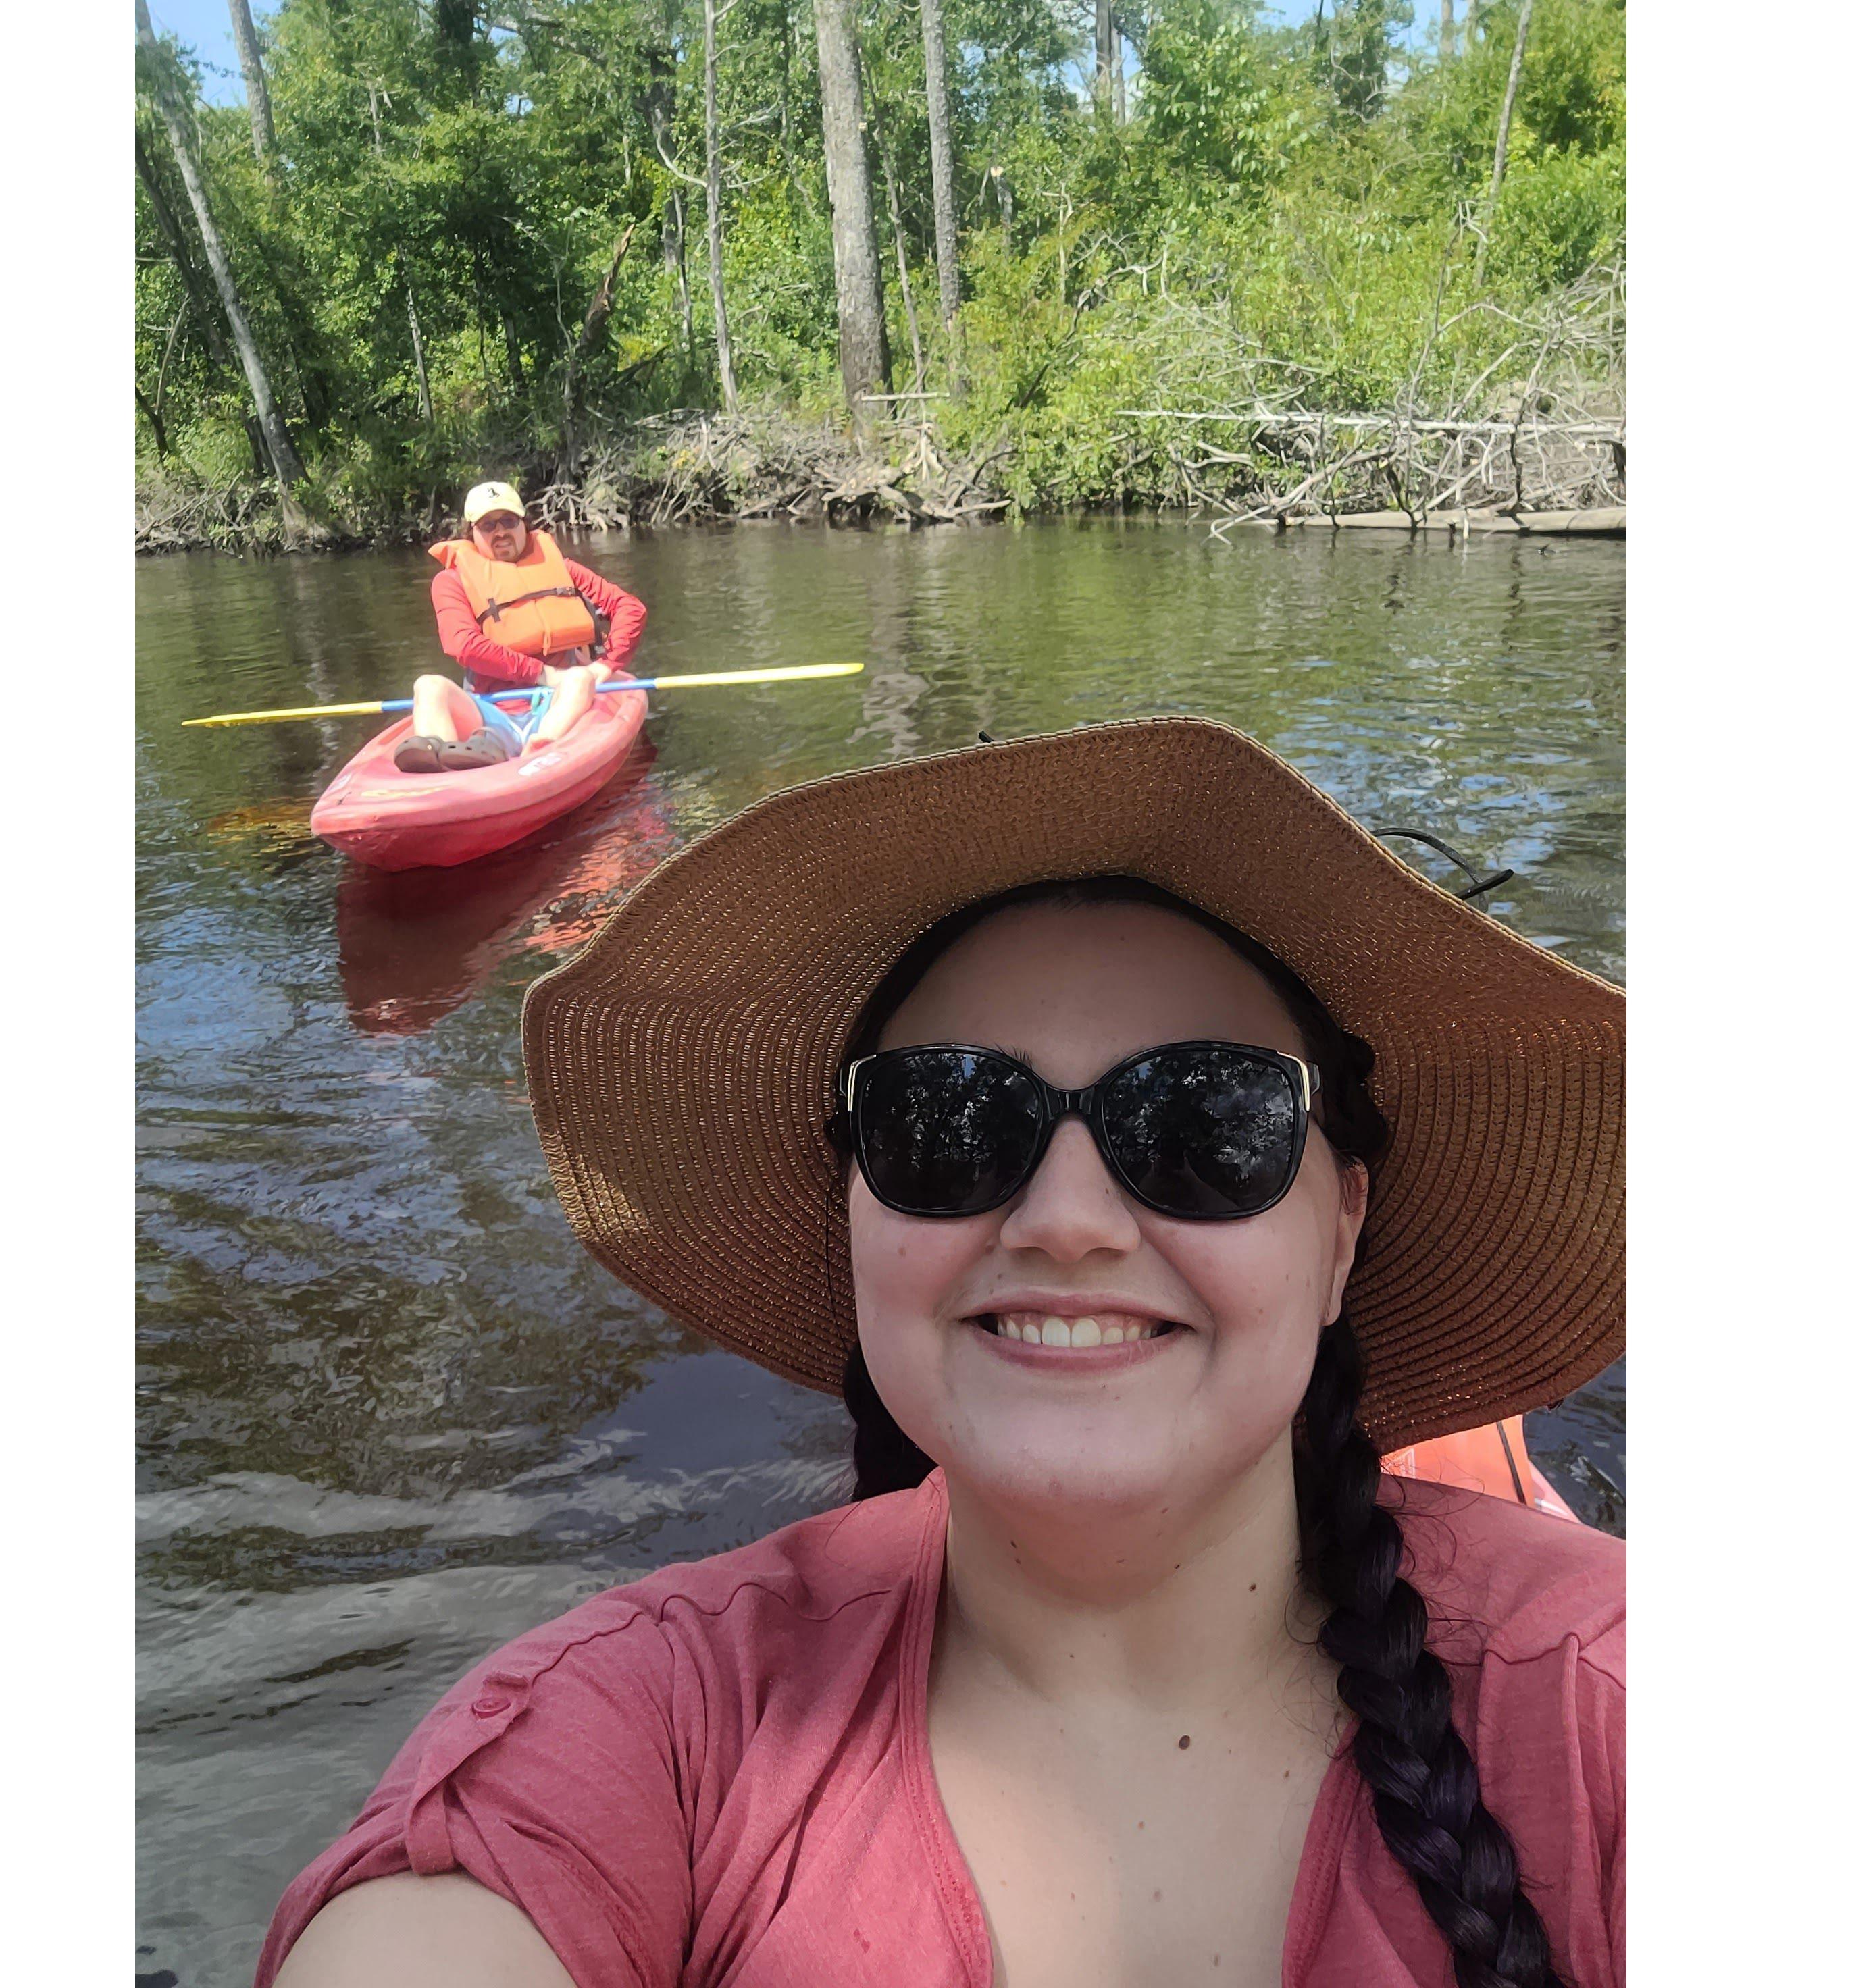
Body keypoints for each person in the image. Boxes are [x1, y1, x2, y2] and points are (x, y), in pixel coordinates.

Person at [260, 721, 1624, 1988]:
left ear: (1340, 1227)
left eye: (1206, 1118)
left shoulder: (1603, 1699)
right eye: (946, 1120)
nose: (1069, 1220)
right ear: (855, 1210)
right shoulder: (649, 1726)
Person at [395, 481, 649, 775]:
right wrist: (542, 673)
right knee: (428, 686)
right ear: (472, 533)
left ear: (524, 526)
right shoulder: (451, 582)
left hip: (561, 703)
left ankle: (539, 750)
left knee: (580, 679)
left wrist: (605, 666)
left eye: (508, 521)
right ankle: (442, 765)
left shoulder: (563, 569)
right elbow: (462, 644)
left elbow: (630, 608)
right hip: (488, 708)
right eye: (488, 525)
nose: (500, 531)